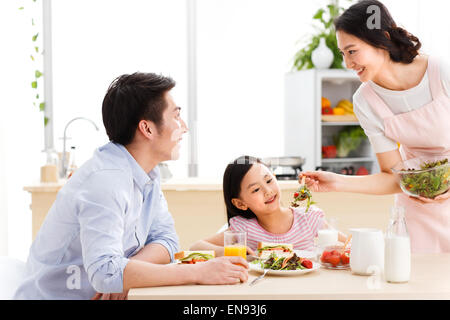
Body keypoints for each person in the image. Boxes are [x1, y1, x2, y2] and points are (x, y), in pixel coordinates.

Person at [14, 73, 248, 300]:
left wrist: (125, 275)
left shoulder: (147, 174)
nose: (184, 127)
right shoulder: (105, 181)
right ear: (147, 128)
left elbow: (167, 241)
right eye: (176, 116)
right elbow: (106, 273)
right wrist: (198, 272)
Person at [300, 0, 450, 253]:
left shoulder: (441, 72)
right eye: (342, 54)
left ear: (382, 39)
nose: (348, 64)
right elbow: (392, 177)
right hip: (417, 206)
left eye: (352, 51)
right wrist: (336, 181)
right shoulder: (365, 100)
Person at [190, 156, 347, 255]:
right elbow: (195, 247)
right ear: (240, 203)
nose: (267, 191)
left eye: (269, 180)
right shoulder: (244, 229)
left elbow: (348, 244)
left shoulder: (308, 218)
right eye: (256, 189)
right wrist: (230, 252)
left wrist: (338, 252)